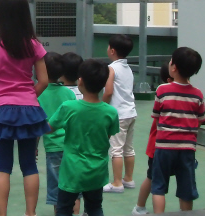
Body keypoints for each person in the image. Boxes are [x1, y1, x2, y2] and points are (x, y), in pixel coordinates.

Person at [0, 0, 49, 216]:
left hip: (1, 109)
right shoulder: (33, 45)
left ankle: (2, 213)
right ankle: (30, 213)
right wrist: (28, 96)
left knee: (3, 166)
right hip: (29, 109)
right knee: (29, 165)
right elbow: (44, 80)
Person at [48, 59, 120, 216]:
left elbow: (48, 128)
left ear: (80, 81)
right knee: (94, 208)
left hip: (72, 171)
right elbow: (106, 136)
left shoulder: (68, 107)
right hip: (97, 171)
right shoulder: (110, 112)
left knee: (64, 209)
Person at [150, 47, 205, 214]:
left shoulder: (162, 90)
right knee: (186, 189)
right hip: (187, 148)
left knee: (159, 187)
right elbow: (201, 120)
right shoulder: (197, 95)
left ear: (173, 67)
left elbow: (156, 115)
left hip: (164, 147)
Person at [38, 52, 77, 214]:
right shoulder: (69, 93)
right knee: (73, 187)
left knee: (56, 190)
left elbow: (36, 123)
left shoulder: (38, 94)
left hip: (52, 148)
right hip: (71, 147)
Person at [132, 63, 173, 215]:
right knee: (153, 179)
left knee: (153, 178)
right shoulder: (164, 95)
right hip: (158, 148)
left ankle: (139, 206)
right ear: (170, 79)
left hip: (166, 148)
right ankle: (139, 207)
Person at [102, 35, 137, 193]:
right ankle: (128, 179)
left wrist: (102, 106)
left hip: (119, 115)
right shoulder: (128, 68)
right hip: (131, 113)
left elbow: (108, 91)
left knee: (116, 149)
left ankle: (117, 183)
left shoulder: (112, 68)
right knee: (128, 148)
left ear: (112, 50)